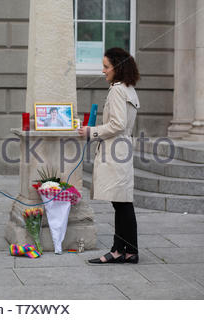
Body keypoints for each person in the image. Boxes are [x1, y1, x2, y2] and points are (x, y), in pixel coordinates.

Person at [78, 47, 141, 264]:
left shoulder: (116, 90)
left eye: (106, 67)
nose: (103, 71)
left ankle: (117, 251)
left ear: (117, 67)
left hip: (114, 151)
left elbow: (117, 124)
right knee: (123, 202)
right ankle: (130, 251)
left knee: (121, 203)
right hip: (123, 149)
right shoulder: (130, 89)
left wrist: (91, 131)